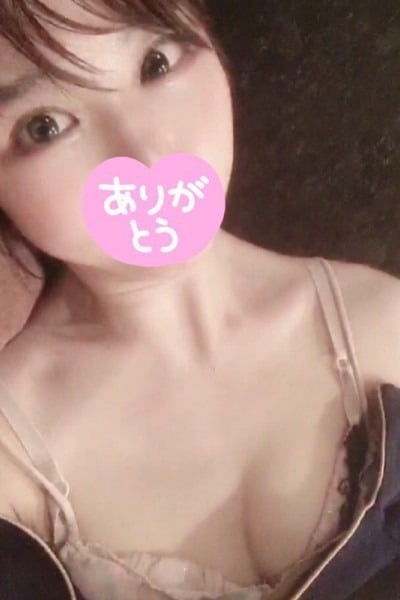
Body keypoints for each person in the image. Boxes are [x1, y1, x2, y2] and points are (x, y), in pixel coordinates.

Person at [0, 1, 400, 599]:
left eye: (156, 64)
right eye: (45, 126)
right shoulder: (11, 450)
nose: (143, 154)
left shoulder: (384, 325)